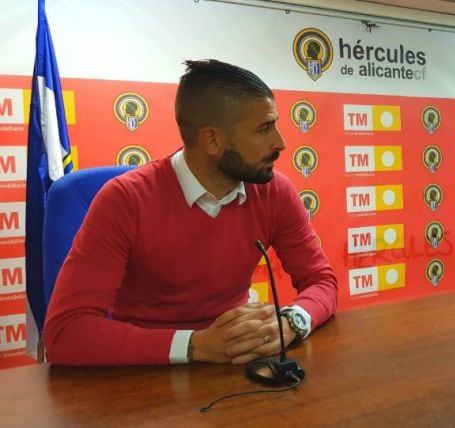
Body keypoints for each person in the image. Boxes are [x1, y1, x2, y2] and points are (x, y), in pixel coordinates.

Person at [44, 59, 338, 365]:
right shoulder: (124, 200)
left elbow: (322, 282)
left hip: (238, 362)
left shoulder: (275, 191)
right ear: (212, 140)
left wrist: (291, 322)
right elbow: (66, 333)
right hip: (142, 375)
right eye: (264, 129)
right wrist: (197, 346)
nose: (281, 142)